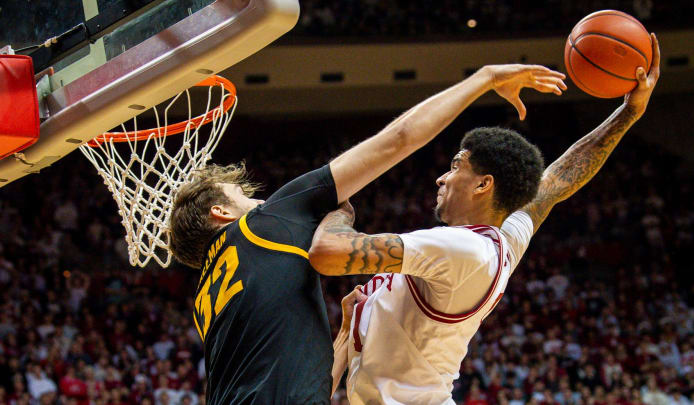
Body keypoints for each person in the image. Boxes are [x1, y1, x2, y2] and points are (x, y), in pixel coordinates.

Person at [167, 63, 566, 404]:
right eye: (244, 197)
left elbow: (296, 377)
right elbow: (398, 139)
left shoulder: (208, 300)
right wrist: (485, 77)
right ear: (221, 213)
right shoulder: (263, 224)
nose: (261, 200)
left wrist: (343, 337)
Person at [308, 35, 660, 404]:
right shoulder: (499, 242)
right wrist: (629, 113)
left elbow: (328, 252)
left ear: (483, 184)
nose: (441, 177)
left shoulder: (461, 249)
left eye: (456, 165)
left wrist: (337, 205)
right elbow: (557, 182)